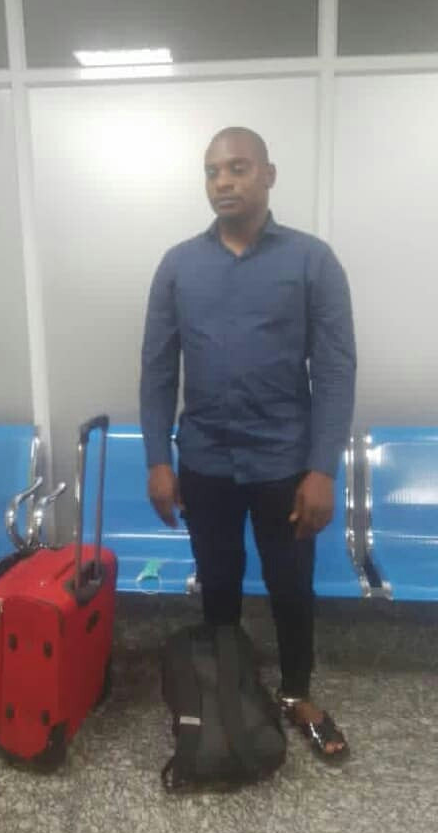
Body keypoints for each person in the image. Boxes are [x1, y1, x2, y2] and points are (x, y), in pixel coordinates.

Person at [140, 126, 356, 761]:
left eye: (237, 168)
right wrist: (158, 460)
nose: (223, 182)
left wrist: (322, 469)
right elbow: (157, 370)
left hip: (284, 461)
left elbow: (336, 371)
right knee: (218, 580)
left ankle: (296, 693)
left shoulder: (312, 261)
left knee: (290, 584)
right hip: (204, 459)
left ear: (268, 175)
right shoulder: (179, 265)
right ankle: (226, 689)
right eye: (212, 171)